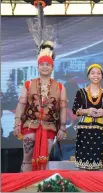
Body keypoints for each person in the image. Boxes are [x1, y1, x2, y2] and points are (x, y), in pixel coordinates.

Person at [13, 41, 67, 171]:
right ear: (38, 67)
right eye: (42, 64)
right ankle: (25, 186)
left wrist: (63, 128)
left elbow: (62, 108)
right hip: (30, 125)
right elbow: (21, 104)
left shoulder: (60, 87)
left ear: (52, 67)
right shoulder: (28, 84)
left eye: (47, 64)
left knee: (45, 158)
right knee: (27, 157)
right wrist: (16, 123)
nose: (44, 67)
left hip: (49, 127)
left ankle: (41, 188)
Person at [72, 64, 103, 170]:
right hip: (84, 129)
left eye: (98, 73)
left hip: (100, 129)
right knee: (84, 159)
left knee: (97, 159)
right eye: (93, 73)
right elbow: (75, 109)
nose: (96, 75)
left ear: (102, 76)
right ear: (88, 76)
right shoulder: (81, 92)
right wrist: (87, 111)